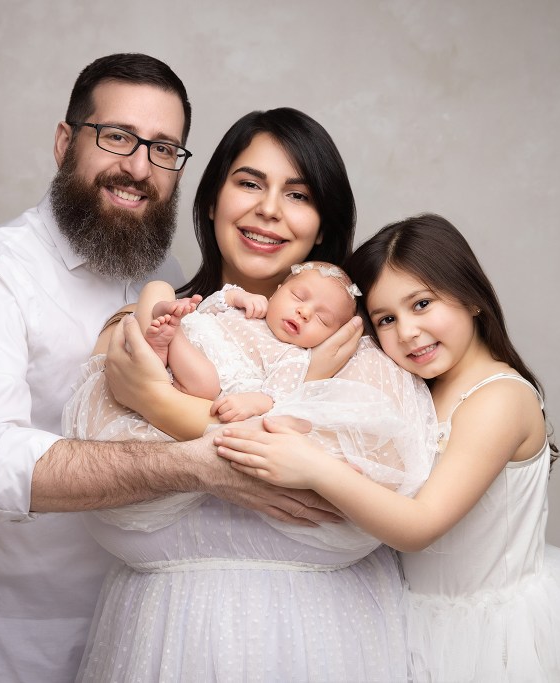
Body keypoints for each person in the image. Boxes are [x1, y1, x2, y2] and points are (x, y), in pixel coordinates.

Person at [0, 54, 345, 683]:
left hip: (163, 631)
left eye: (164, 149)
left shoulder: (172, 279)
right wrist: (197, 464)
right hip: (25, 644)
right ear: (66, 141)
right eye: (118, 136)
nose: (138, 167)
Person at [71, 109, 437, 682]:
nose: (269, 208)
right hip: (159, 640)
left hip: (332, 645)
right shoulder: (147, 325)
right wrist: (159, 302)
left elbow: (376, 484)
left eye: (298, 193)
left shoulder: (368, 348)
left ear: (323, 225)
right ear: (211, 200)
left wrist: (161, 405)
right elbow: (102, 473)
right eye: (248, 183)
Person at [215, 214, 560, 682]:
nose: (406, 332)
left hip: (493, 635)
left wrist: (314, 467)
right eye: (386, 318)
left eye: (422, 304)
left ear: (469, 296)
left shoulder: (499, 398)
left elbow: (419, 526)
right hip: (415, 619)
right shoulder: (417, 390)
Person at [136, 261, 364, 422]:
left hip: (203, 373)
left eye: (322, 319)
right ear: (276, 293)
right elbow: (207, 308)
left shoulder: (294, 357)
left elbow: (276, 398)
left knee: (206, 383)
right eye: (298, 297)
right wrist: (235, 297)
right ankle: (166, 320)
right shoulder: (255, 308)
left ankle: (169, 337)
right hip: (193, 331)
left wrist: (253, 402)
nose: (304, 312)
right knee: (161, 293)